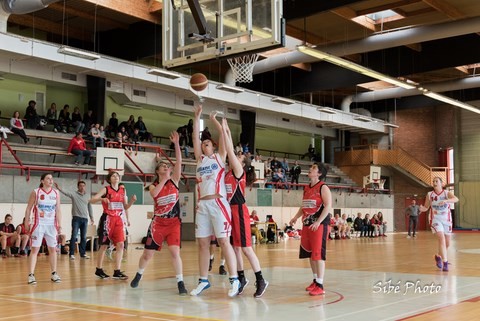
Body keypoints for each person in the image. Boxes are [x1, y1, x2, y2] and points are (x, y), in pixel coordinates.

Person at [130, 131, 188, 295]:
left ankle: (180, 282)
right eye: (163, 166)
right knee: (147, 255)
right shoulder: (154, 185)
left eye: (166, 166)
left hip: (174, 223)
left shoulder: (174, 180)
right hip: (158, 224)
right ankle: (139, 274)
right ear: (157, 171)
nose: (166, 167)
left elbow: (179, 161)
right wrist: (165, 178)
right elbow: (155, 195)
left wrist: (176, 144)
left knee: (175, 252)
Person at [190, 105, 240, 297]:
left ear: (214, 146)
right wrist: (196, 117)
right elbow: (195, 138)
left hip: (219, 204)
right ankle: (203, 280)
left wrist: (218, 124)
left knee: (223, 241)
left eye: (207, 144)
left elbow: (224, 142)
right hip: (203, 204)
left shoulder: (220, 158)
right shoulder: (200, 161)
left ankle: (234, 279)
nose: (204, 145)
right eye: (203, 144)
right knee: (202, 243)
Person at [221, 117, 268, 298]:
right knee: (235, 249)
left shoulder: (239, 172)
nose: (236, 156)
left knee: (247, 248)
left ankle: (261, 279)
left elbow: (230, 151)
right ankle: (241, 279)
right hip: (229, 211)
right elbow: (226, 151)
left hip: (239, 210)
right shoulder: (228, 174)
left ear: (242, 164)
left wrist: (225, 130)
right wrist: (223, 131)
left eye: (239, 157)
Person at [289, 163, 332, 296]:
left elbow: (328, 206)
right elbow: (304, 206)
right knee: (310, 253)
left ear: (319, 173)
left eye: (313, 168)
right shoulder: (307, 188)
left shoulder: (323, 187)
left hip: (319, 224)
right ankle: (315, 280)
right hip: (307, 224)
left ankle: (320, 284)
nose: (310, 169)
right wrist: (296, 217)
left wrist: (318, 222)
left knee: (318, 254)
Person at [90, 171, 136, 280]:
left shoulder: (122, 190)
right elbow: (91, 200)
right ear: (109, 179)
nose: (116, 177)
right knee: (104, 245)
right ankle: (99, 269)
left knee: (120, 244)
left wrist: (132, 201)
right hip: (107, 219)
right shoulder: (106, 189)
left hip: (118, 219)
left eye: (117, 176)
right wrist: (102, 199)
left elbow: (125, 207)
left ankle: (117, 271)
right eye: (113, 176)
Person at [24, 173, 62, 284]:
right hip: (38, 224)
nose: (51, 180)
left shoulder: (56, 193)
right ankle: (31, 275)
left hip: (52, 225)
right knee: (35, 249)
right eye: (48, 178)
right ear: (42, 181)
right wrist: (27, 221)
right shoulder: (36, 192)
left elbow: (58, 209)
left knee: (53, 249)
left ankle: (54, 273)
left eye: (51, 178)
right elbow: (28, 208)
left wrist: (59, 224)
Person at [420, 177, 458, 272]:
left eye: (436, 181)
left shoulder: (446, 193)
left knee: (447, 243)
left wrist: (446, 201)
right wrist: (422, 209)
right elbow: (426, 207)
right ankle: (445, 262)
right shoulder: (430, 194)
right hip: (435, 219)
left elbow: (456, 199)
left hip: (447, 219)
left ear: (441, 183)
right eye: (433, 181)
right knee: (441, 238)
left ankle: (438, 256)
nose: (434, 183)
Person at [54, 181, 94, 260]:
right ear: (78, 187)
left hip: (85, 219)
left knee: (83, 237)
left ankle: (83, 254)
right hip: (76, 218)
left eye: (83, 186)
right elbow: (66, 193)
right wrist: (59, 188)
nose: (82, 187)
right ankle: (71, 254)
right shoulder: (74, 194)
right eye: (80, 186)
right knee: (74, 236)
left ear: (85, 187)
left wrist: (91, 217)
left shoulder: (88, 196)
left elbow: (89, 206)